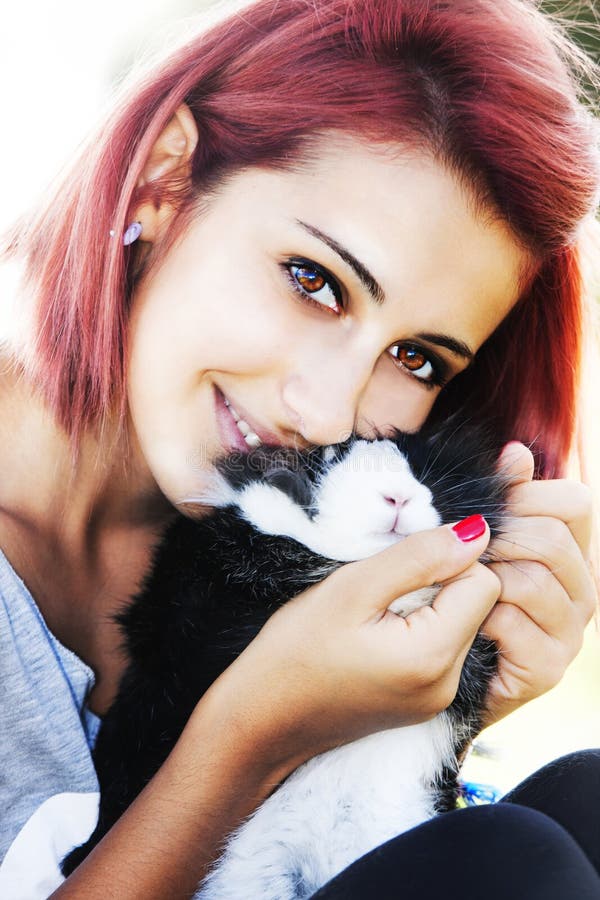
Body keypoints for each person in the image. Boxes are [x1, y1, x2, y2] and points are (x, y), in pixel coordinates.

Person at [0, 0, 598, 897]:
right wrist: (247, 741)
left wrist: (435, 708)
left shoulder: (310, 533)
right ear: (164, 180)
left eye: (417, 358)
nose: (328, 414)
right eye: (314, 281)